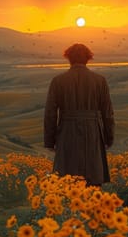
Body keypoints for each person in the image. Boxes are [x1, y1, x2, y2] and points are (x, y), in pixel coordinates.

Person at [44, 43, 114, 186]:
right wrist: (109, 138)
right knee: (92, 178)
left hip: (67, 132)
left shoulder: (58, 81)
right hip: (92, 131)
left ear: (68, 58)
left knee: (66, 178)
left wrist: (50, 141)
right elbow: (108, 113)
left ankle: (69, 206)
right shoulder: (100, 81)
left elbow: (50, 113)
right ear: (88, 58)